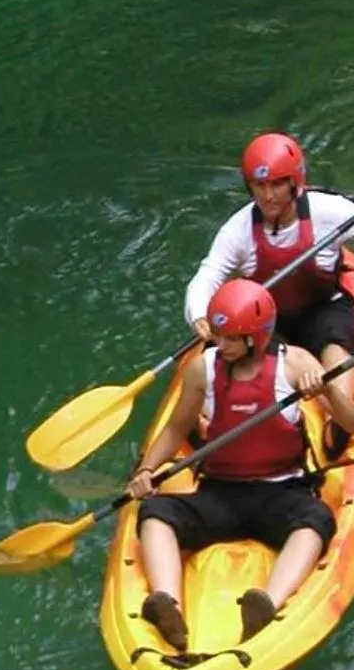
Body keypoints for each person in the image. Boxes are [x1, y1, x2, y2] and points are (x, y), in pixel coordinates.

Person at [125, 277, 331, 649]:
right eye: (219, 336)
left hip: (281, 491)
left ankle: (269, 602)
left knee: (317, 519)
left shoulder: (295, 364)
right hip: (219, 494)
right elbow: (176, 428)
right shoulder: (203, 368)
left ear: (257, 336)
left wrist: (327, 387)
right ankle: (167, 605)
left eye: (231, 338)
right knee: (155, 512)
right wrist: (145, 470)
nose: (221, 345)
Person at [185, 132, 354, 459]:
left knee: (335, 342)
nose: (268, 196)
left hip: (322, 308)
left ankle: (338, 418)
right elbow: (208, 275)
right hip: (264, 318)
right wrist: (199, 315)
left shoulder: (328, 211)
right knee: (228, 351)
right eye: (259, 186)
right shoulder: (238, 229)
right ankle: (207, 423)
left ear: (295, 183)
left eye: (277, 184)